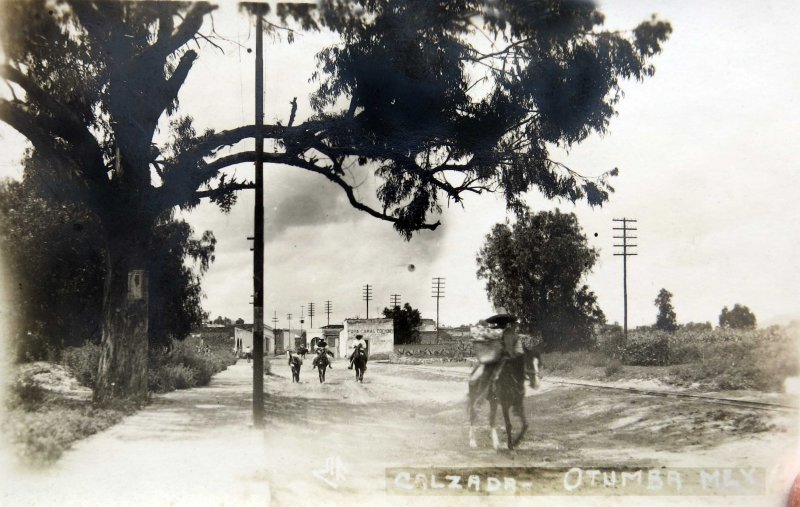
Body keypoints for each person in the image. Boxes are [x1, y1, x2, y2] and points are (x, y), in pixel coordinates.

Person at [469, 312, 521, 385]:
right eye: (500, 321)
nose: (503, 323)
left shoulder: (510, 333)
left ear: (507, 323)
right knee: (487, 370)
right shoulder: (492, 330)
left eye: (504, 322)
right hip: (494, 355)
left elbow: (515, 347)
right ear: (497, 322)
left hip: (508, 356)